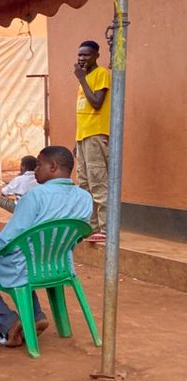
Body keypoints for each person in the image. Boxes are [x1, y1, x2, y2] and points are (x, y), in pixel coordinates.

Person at [0, 146, 92, 348]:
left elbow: (5, 242)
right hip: (58, 267)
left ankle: (9, 323)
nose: (35, 170)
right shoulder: (84, 198)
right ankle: (36, 315)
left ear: (53, 166)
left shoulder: (34, 196)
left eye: (39, 165)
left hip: (25, 266)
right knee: (23, 257)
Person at [74, 39, 111, 242]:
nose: (81, 58)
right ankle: (92, 227)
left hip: (96, 135)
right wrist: (77, 141)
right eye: (79, 55)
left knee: (98, 182)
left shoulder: (100, 74)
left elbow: (96, 103)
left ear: (96, 55)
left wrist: (81, 80)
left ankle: (105, 229)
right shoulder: (86, 77)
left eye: (86, 55)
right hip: (83, 137)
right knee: (84, 184)